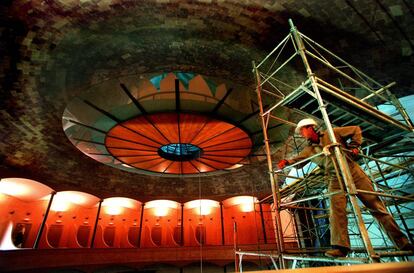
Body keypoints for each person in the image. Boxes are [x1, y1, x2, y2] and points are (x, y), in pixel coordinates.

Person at [277, 118, 414, 257]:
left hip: (352, 170)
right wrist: (287, 162)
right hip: (334, 177)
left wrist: (354, 145)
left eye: (302, 130)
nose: (301, 133)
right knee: (336, 210)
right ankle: (341, 247)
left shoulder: (333, 133)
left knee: (376, 206)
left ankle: (403, 243)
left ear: (310, 127)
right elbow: (298, 161)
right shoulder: (309, 150)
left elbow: (355, 129)